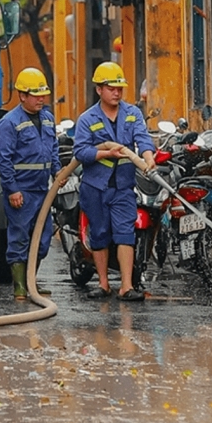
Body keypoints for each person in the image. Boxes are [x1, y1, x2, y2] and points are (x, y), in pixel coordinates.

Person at [72, 62, 156, 302]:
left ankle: (126, 286)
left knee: (125, 233)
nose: (117, 93)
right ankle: (103, 283)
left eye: (119, 88)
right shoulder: (87, 119)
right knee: (99, 233)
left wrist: (148, 158)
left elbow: (143, 138)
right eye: (111, 88)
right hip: (95, 187)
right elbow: (80, 153)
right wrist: (105, 153)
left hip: (123, 187)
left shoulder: (133, 114)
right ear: (99, 89)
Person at [0, 67, 60, 300]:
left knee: (42, 240)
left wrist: (58, 173)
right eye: (36, 94)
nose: (41, 99)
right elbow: (4, 160)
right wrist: (12, 189)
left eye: (43, 94)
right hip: (22, 192)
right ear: (22, 95)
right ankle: (20, 287)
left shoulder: (48, 119)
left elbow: (53, 150)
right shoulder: (9, 123)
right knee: (20, 238)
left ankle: (32, 282)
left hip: (43, 190)